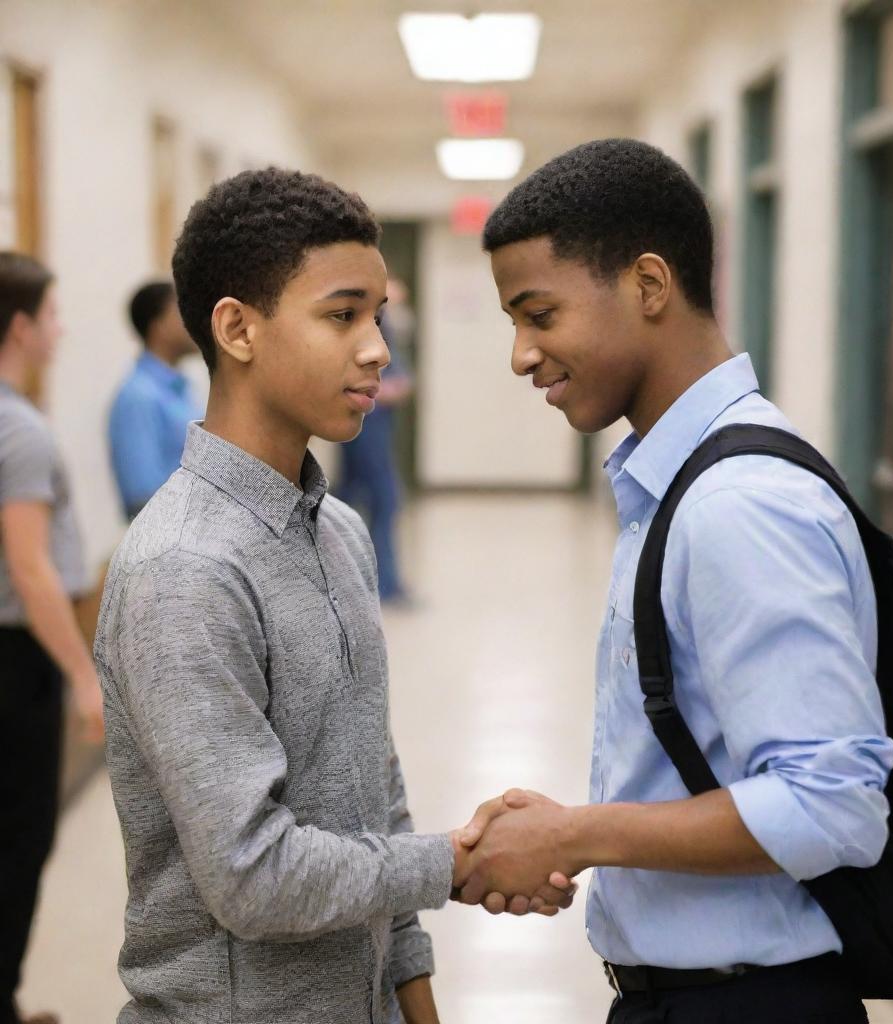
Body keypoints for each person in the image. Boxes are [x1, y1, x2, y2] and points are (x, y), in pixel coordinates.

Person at [93, 168, 571, 1024]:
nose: (378, 348)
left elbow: (374, 799)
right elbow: (251, 874)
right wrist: (459, 865)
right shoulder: (184, 569)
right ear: (236, 328)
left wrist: (417, 1004)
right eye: (342, 315)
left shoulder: (338, 532)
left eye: (378, 315)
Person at [455, 139, 893, 1023]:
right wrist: (576, 829)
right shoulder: (686, 481)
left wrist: (578, 834)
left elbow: (833, 804)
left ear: (649, 285)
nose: (521, 353)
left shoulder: (738, 502)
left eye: (539, 314)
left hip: (750, 1005)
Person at [0, 252, 105, 1024]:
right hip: (13, 662)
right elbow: (32, 570)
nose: (61, 330)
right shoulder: (19, 430)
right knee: (18, 842)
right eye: (54, 315)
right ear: (21, 326)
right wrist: (82, 672)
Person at [333, 306, 413, 603]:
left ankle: (378, 583)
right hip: (366, 429)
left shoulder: (379, 326)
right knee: (384, 499)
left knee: (352, 501)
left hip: (374, 427)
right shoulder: (356, 323)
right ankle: (383, 585)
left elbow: (401, 379)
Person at [108, 280, 203, 519]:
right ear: (159, 326)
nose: (195, 321)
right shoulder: (138, 396)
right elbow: (143, 498)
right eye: (182, 312)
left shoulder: (181, 389)